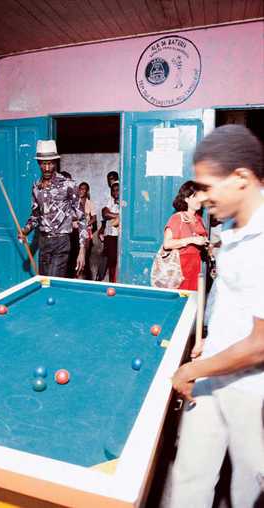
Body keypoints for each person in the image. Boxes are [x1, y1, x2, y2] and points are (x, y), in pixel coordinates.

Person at [170, 125, 264, 508]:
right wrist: (209, 341)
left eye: (208, 186)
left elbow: (260, 346)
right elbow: (232, 297)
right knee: (190, 478)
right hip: (215, 372)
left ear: (240, 178)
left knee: (248, 492)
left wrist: (191, 371)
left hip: (253, 393)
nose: (202, 197)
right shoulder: (229, 227)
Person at [19, 140, 86, 277]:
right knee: (44, 282)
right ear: (38, 163)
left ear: (55, 162)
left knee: (53, 282)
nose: (47, 167)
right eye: (44, 163)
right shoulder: (36, 187)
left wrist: (82, 250)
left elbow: (82, 218)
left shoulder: (68, 185)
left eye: (50, 163)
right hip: (44, 243)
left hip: (61, 242)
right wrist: (25, 229)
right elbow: (36, 216)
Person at [163, 180, 208, 291]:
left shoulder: (198, 219)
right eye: (195, 196)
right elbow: (167, 244)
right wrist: (191, 240)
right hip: (180, 267)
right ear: (186, 199)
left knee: (192, 302)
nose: (199, 200)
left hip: (196, 266)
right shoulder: (177, 218)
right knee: (182, 300)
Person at [68, 181, 97, 279]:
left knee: (85, 254)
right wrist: (80, 219)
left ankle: (83, 276)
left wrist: (85, 223)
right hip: (74, 232)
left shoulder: (90, 203)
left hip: (86, 232)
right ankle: (74, 275)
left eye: (83, 189)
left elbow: (94, 218)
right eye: (79, 189)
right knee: (74, 254)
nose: (81, 191)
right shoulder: (74, 203)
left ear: (87, 191)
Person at [96, 171, 119, 280]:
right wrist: (118, 216)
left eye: (113, 178)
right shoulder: (110, 198)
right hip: (110, 234)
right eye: (109, 179)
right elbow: (105, 213)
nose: (111, 181)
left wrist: (113, 216)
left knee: (115, 261)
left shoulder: (123, 195)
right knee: (109, 260)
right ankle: (107, 281)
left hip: (118, 235)